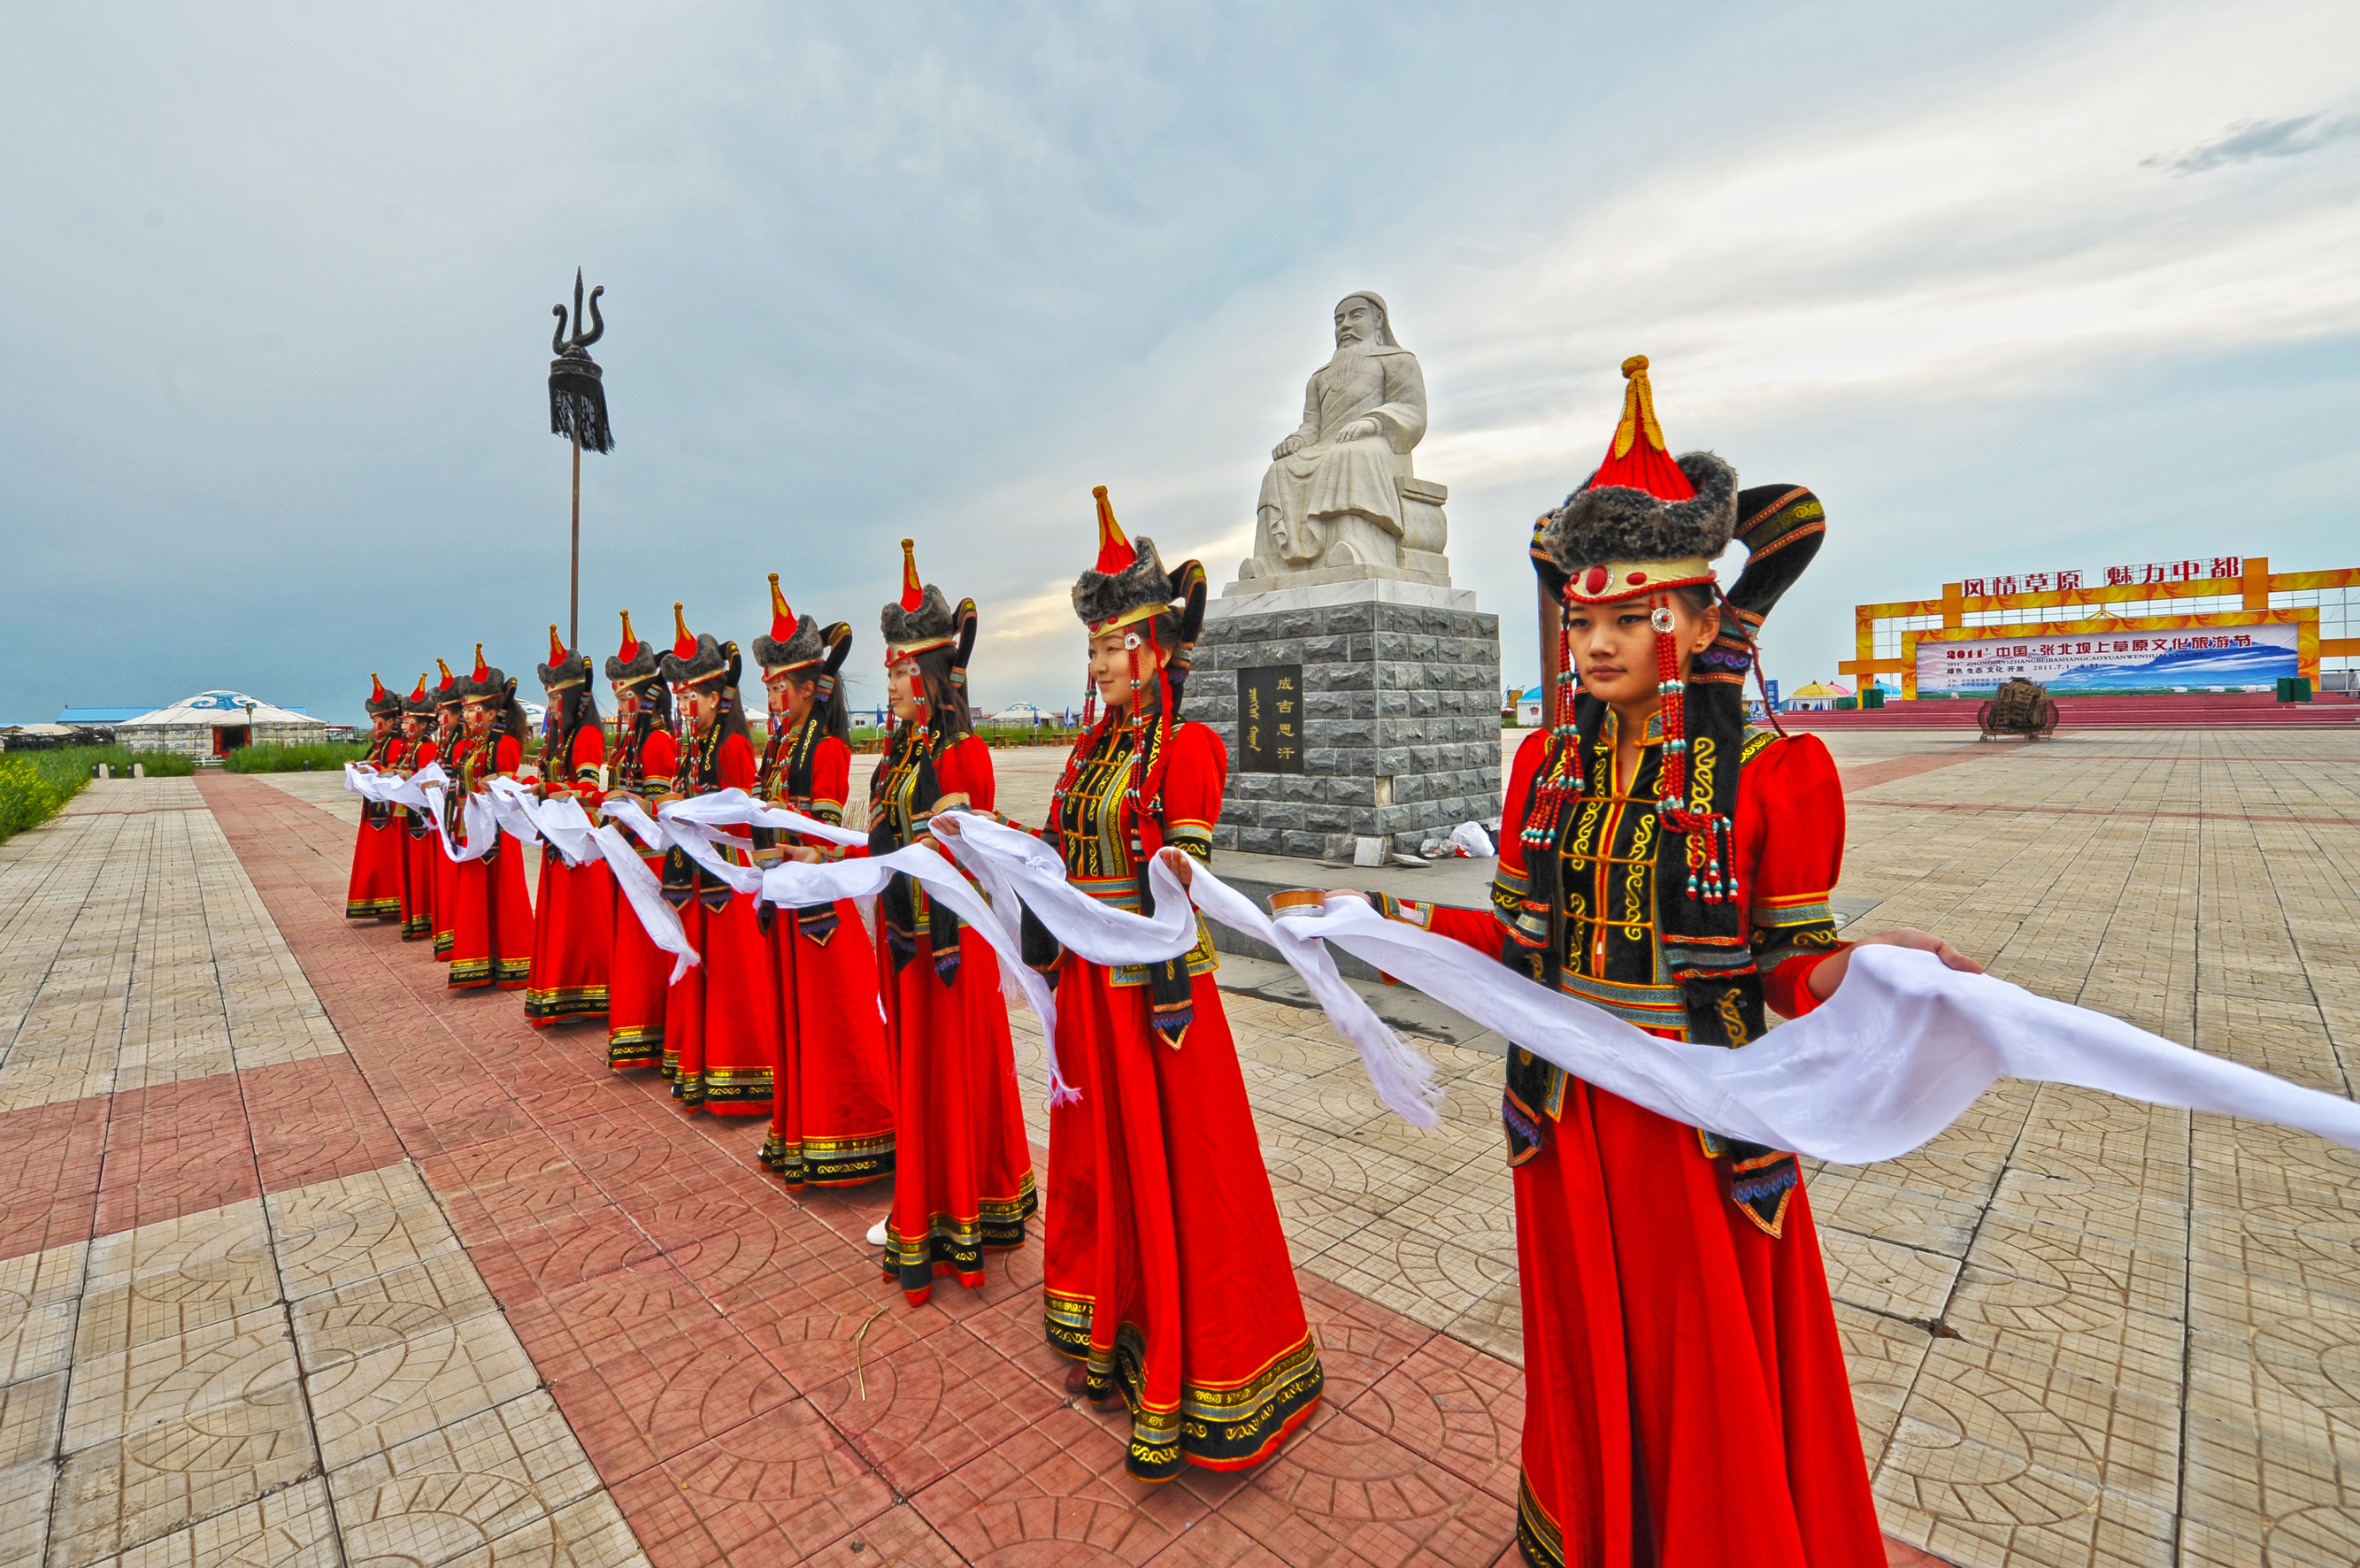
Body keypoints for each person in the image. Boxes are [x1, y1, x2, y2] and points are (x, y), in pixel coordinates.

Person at [1353, 357, 1979, 1567]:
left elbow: (1785, 971)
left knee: (1706, 1365)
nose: (1593, 642)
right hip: (1565, 1115)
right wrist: (1381, 923)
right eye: (1578, 618)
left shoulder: (1771, 776)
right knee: (1586, 1341)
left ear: (1697, 621)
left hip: (1694, 1124)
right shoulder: (1542, 770)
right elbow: (1520, 947)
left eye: (1625, 616)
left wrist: (1863, 969)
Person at [980, 486, 1321, 1482]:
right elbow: (1055, 851)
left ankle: (1191, 1364)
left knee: (1179, 1172)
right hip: (1090, 992)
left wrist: (1180, 867)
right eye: (1090, 647)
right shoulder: (1092, 748)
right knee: (1103, 1162)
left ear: (1158, 646)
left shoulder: (1190, 747)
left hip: (1156, 1002)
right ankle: (1110, 1324)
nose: (1098, 664)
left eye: (1112, 644)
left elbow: (1182, 868)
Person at [868, 539, 1035, 1303]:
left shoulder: (963, 754)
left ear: (934, 679)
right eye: (890, 667)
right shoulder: (895, 754)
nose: (894, 680)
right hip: (903, 937)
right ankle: (923, 1194)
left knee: (952, 1071)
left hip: (950, 947)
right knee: (918, 1072)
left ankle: (958, 1211)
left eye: (905, 670)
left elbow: (978, 853)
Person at [749, 574, 895, 1189]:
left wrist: (796, 851)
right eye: (769, 687)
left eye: (782, 687)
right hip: (784, 897)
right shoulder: (778, 747)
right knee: (796, 1018)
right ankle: (801, 1129)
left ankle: (855, 1129)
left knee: (834, 1019)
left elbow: (827, 837)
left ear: (812, 688)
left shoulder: (827, 748)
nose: (774, 698)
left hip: (820, 911)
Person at [654, 604, 777, 1113]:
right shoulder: (696, 745)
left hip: (726, 880)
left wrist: (683, 811)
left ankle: (742, 1073)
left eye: (692, 698)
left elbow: (738, 815)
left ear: (715, 698)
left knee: (732, 979)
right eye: (680, 698)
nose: (684, 707)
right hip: (698, 880)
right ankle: (701, 1066)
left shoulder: (730, 747)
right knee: (705, 975)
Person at [524, 626, 614, 1027]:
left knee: (581, 919)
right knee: (560, 916)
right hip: (557, 837)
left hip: (580, 842)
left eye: (557, 696)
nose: (552, 704)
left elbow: (589, 790)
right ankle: (560, 987)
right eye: (549, 697)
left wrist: (548, 788)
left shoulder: (588, 734)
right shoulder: (559, 740)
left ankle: (588, 989)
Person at [603, 611, 678, 1072]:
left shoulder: (657, 742)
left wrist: (626, 800)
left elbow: (661, 809)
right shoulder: (630, 742)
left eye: (627, 695)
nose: (621, 703)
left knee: (646, 950)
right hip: (629, 856)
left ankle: (649, 1031)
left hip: (650, 861)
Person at [446, 646, 535, 990]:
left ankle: (511, 959)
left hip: (498, 834)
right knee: (474, 895)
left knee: (503, 895)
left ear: (491, 712)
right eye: (466, 710)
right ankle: (477, 958)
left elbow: (509, 789)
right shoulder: (471, 746)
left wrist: (493, 785)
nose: (467, 716)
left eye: (473, 710)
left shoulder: (505, 745)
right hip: (473, 831)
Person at [344, 674, 407, 919]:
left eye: (379, 719)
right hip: (373, 808)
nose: (375, 724)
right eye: (373, 720)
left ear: (393, 720)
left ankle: (390, 902)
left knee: (382, 857)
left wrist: (372, 771)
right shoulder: (380, 743)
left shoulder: (396, 742)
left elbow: (393, 770)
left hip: (386, 811)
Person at [393, 674, 440, 942]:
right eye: (405, 720)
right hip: (406, 816)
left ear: (424, 724)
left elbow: (423, 780)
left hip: (419, 822)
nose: (407, 725)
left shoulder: (427, 749)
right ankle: (412, 917)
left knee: (420, 869)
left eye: (412, 720)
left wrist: (403, 776)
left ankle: (423, 917)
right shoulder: (408, 748)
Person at [428, 658, 467, 962]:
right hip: (450, 817)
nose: (441, 719)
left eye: (446, 713)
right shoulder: (447, 743)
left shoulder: (464, 743)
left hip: (463, 821)